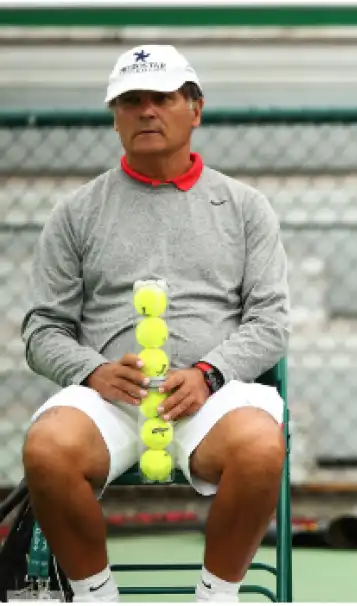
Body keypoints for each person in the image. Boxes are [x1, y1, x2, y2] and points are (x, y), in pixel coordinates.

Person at [20, 44, 290, 603]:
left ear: (195, 108)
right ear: (115, 117)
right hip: (109, 400)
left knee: (262, 448)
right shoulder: (76, 212)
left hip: (212, 396)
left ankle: (215, 596)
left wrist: (209, 374)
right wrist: (93, 371)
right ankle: (98, 596)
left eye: (162, 98)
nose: (147, 111)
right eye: (131, 100)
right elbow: (42, 329)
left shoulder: (244, 207)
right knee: (47, 449)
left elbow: (270, 324)